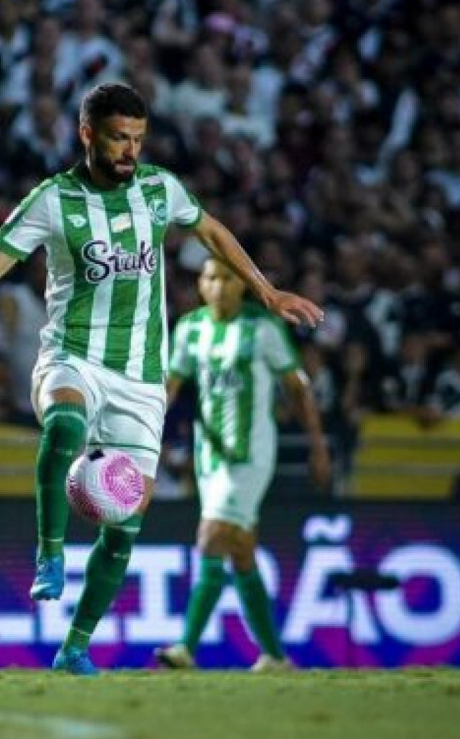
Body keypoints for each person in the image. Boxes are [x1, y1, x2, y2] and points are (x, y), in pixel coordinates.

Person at [0, 83, 323, 675]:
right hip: (73, 356)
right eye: (121, 138)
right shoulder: (53, 199)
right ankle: (50, 553)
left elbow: (213, 231)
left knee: (125, 525)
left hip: (141, 378)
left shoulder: (158, 189)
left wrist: (267, 289)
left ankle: (76, 646)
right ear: (87, 133)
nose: (131, 152)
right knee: (64, 421)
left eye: (139, 140)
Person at [153, 258, 332, 672]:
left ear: (242, 285)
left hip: (250, 454)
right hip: (208, 456)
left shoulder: (263, 329)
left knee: (212, 535)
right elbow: (171, 388)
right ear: (200, 284)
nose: (218, 286)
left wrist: (317, 446)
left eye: (227, 278)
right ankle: (274, 656)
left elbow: (298, 389)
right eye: (211, 278)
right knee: (241, 554)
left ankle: (186, 647)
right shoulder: (190, 329)